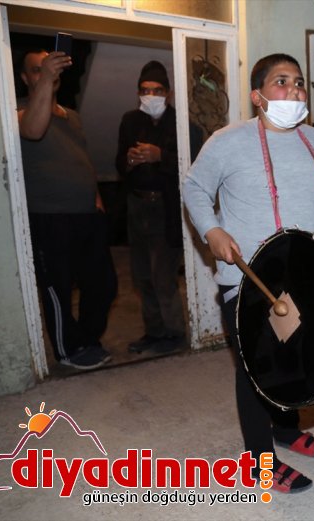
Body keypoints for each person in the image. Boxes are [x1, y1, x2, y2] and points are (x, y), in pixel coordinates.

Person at [182, 53, 314, 494]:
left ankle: (285, 429)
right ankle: (257, 460)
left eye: (299, 82)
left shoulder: (313, 139)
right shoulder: (228, 141)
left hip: (302, 275)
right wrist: (212, 230)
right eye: (281, 81)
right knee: (257, 367)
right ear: (257, 95)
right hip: (250, 278)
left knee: (297, 359)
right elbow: (193, 187)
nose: (294, 90)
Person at [17, 49, 117, 369]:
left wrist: (97, 197)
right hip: (49, 216)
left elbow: (83, 160)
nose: (46, 73)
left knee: (103, 283)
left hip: (87, 214)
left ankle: (87, 339)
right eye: (36, 70)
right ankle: (67, 351)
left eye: (49, 68)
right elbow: (33, 130)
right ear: (25, 78)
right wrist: (46, 77)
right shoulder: (18, 111)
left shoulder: (72, 116)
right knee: (58, 288)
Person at [115, 60, 198, 354]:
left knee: (163, 275)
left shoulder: (183, 125)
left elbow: (194, 167)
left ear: (169, 93)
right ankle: (154, 331)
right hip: (137, 205)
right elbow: (118, 164)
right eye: (145, 90)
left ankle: (174, 334)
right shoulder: (129, 120)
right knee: (141, 275)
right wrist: (130, 160)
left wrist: (159, 155)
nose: (151, 95)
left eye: (157, 90)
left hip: (167, 208)